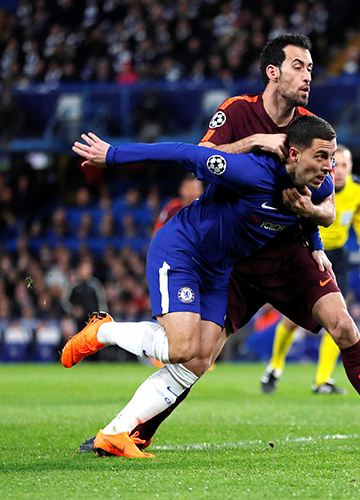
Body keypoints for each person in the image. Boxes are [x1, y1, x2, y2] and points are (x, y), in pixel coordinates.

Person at [77, 33, 360, 455]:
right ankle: (130, 431)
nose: (308, 76)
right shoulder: (237, 113)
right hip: (233, 257)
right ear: (273, 72)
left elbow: (327, 207)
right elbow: (200, 159)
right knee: (196, 356)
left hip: (288, 252)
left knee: (342, 325)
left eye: (311, 69)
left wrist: (310, 216)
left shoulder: (310, 129)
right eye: (299, 67)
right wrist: (252, 143)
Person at [66, 114, 338, 458]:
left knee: (198, 360)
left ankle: (116, 433)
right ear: (296, 154)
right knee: (180, 349)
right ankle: (102, 331)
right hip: (183, 250)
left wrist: (316, 245)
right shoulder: (249, 171)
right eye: (322, 157)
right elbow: (183, 153)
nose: (329, 168)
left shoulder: (320, 183)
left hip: (219, 269)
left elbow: (307, 215)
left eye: (332, 157)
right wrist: (114, 155)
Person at [260, 145, 360, 394]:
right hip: (307, 250)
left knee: (339, 317)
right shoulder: (316, 184)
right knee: (292, 319)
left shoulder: (359, 188)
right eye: (337, 165)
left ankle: (322, 380)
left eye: (346, 165)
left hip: (337, 256)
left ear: (351, 167)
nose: (341, 171)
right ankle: (275, 367)